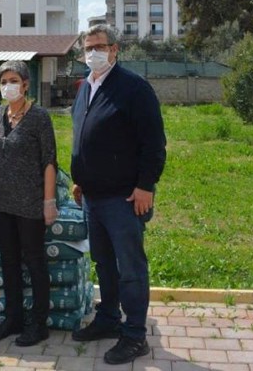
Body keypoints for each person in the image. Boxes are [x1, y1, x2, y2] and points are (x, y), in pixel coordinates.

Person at [70, 24, 167, 364]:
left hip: (125, 198)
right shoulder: (86, 87)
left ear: (115, 50)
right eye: (87, 48)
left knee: (130, 268)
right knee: (104, 263)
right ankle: (109, 319)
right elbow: (85, 136)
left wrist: (145, 186)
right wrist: (80, 179)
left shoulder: (133, 89)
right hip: (92, 198)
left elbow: (154, 144)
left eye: (99, 46)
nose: (92, 52)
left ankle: (135, 335)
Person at [0, 60, 58, 347]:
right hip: (0, 202)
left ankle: (39, 324)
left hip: (29, 202)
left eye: (14, 80)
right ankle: (13, 318)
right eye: (3, 81)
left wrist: (49, 201)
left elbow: (49, 160)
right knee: (8, 261)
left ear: (26, 84)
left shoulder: (39, 117)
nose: (8, 86)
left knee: (34, 261)